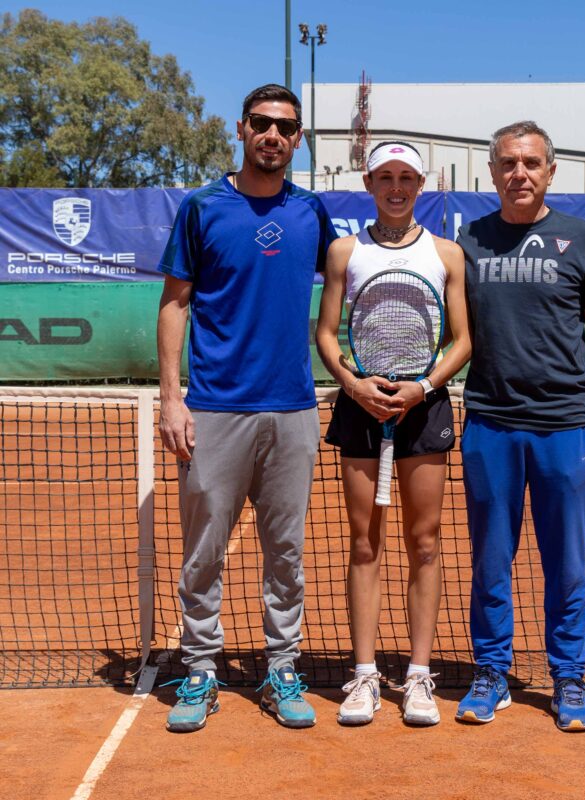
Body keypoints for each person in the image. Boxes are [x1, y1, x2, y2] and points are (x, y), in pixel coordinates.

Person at [157, 83, 336, 732]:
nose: (272, 135)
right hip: (213, 409)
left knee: (285, 551)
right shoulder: (202, 207)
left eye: (285, 127)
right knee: (204, 551)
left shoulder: (312, 212)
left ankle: (282, 667)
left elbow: (346, 283)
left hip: (292, 410)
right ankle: (200, 668)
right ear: (241, 129)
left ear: (298, 139)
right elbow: (175, 302)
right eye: (262, 123)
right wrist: (171, 397)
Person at [454, 121, 585, 731]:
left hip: (564, 428)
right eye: (507, 163)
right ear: (492, 172)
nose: (518, 173)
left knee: (566, 565)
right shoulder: (468, 241)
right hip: (490, 425)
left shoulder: (582, 238)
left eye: (530, 163)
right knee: (490, 562)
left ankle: (568, 678)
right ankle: (491, 671)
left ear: (550, 171)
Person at [316, 141, 471, 726]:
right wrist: (354, 385)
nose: (397, 187)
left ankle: (418, 675)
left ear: (421, 185)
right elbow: (326, 333)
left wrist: (422, 387)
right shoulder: (344, 251)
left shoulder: (447, 254)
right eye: (386, 177)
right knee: (364, 543)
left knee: (424, 543)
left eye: (407, 177)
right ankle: (363, 675)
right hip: (360, 406)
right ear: (369, 183)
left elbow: (463, 339)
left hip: (423, 408)